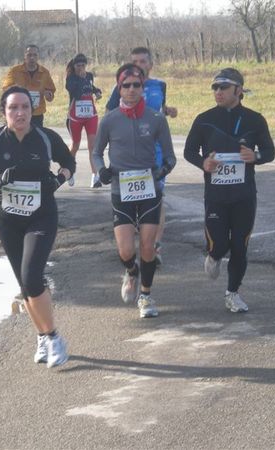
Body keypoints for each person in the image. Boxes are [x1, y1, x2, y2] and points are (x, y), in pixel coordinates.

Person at [0, 86, 75, 368]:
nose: (20, 113)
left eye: (25, 108)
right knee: (24, 284)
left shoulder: (44, 137)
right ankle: (42, 335)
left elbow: (69, 162)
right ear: (4, 112)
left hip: (41, 217)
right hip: (9, 221)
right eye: (13, 108)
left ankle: (54, 338)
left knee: (32, 277)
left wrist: (59, 179)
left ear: (32, 110)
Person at [184, 67, 275, 313]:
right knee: (220, 244)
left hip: (244, 195)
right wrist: (203, 163)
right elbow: (189, 151)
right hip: (216, 196)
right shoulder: (204, 119)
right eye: (215, 87)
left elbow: (269, 152)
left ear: (239, 90)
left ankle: (232, 293)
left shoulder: (255, 119)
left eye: (223, 87)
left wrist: (254, 156)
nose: (218, 91)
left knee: (240, 246)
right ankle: (213, 256)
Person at [93, 64, 176, 319]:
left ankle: (146, 296)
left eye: (136, 85)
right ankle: (131, 271)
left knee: (148, 248)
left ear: (143, 87)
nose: (131, 90)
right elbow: (97, 152)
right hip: (121, 190)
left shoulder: (156, 119)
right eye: (126, 85)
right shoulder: (109, 120)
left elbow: (171, 158)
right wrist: (101, 170)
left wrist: (161, 171)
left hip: (149, 189)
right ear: (119, 88)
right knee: (127, 251)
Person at [106, 47, 178, 264]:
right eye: (134, 61)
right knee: (130, 198)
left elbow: (158, 109)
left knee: (158, 197)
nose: (138, 65)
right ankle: (128, 246)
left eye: (143, 61)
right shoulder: (121, 87)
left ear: (151, 64)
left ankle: (154, 247)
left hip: (154, 153)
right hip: (129, 154)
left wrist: (168, 111)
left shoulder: (160, 85)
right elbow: (109, 115)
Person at [65, 53, 102, 188]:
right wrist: (81, 79)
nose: (81, 68)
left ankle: (95, 176)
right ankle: (69, 170)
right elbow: (77, 94)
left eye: (83, 65)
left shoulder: (89, 76)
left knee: (92, 146)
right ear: (74, 66)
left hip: (91, 115)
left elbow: (90, 87)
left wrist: (97, 92)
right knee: (75, 145)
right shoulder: (70, 79)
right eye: (78, 65)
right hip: (75, 116)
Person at [2, 44, 55, 127]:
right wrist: (17, 94)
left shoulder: (45, 72)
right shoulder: (15, 71)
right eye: (29, 55)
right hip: (19, 112)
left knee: (36, 139)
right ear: (24, 56)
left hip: (37, 113)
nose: (32, 58)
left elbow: (51, 91)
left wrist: (49, 95)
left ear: (38, 57)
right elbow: (6, 89)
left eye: (35, 55)